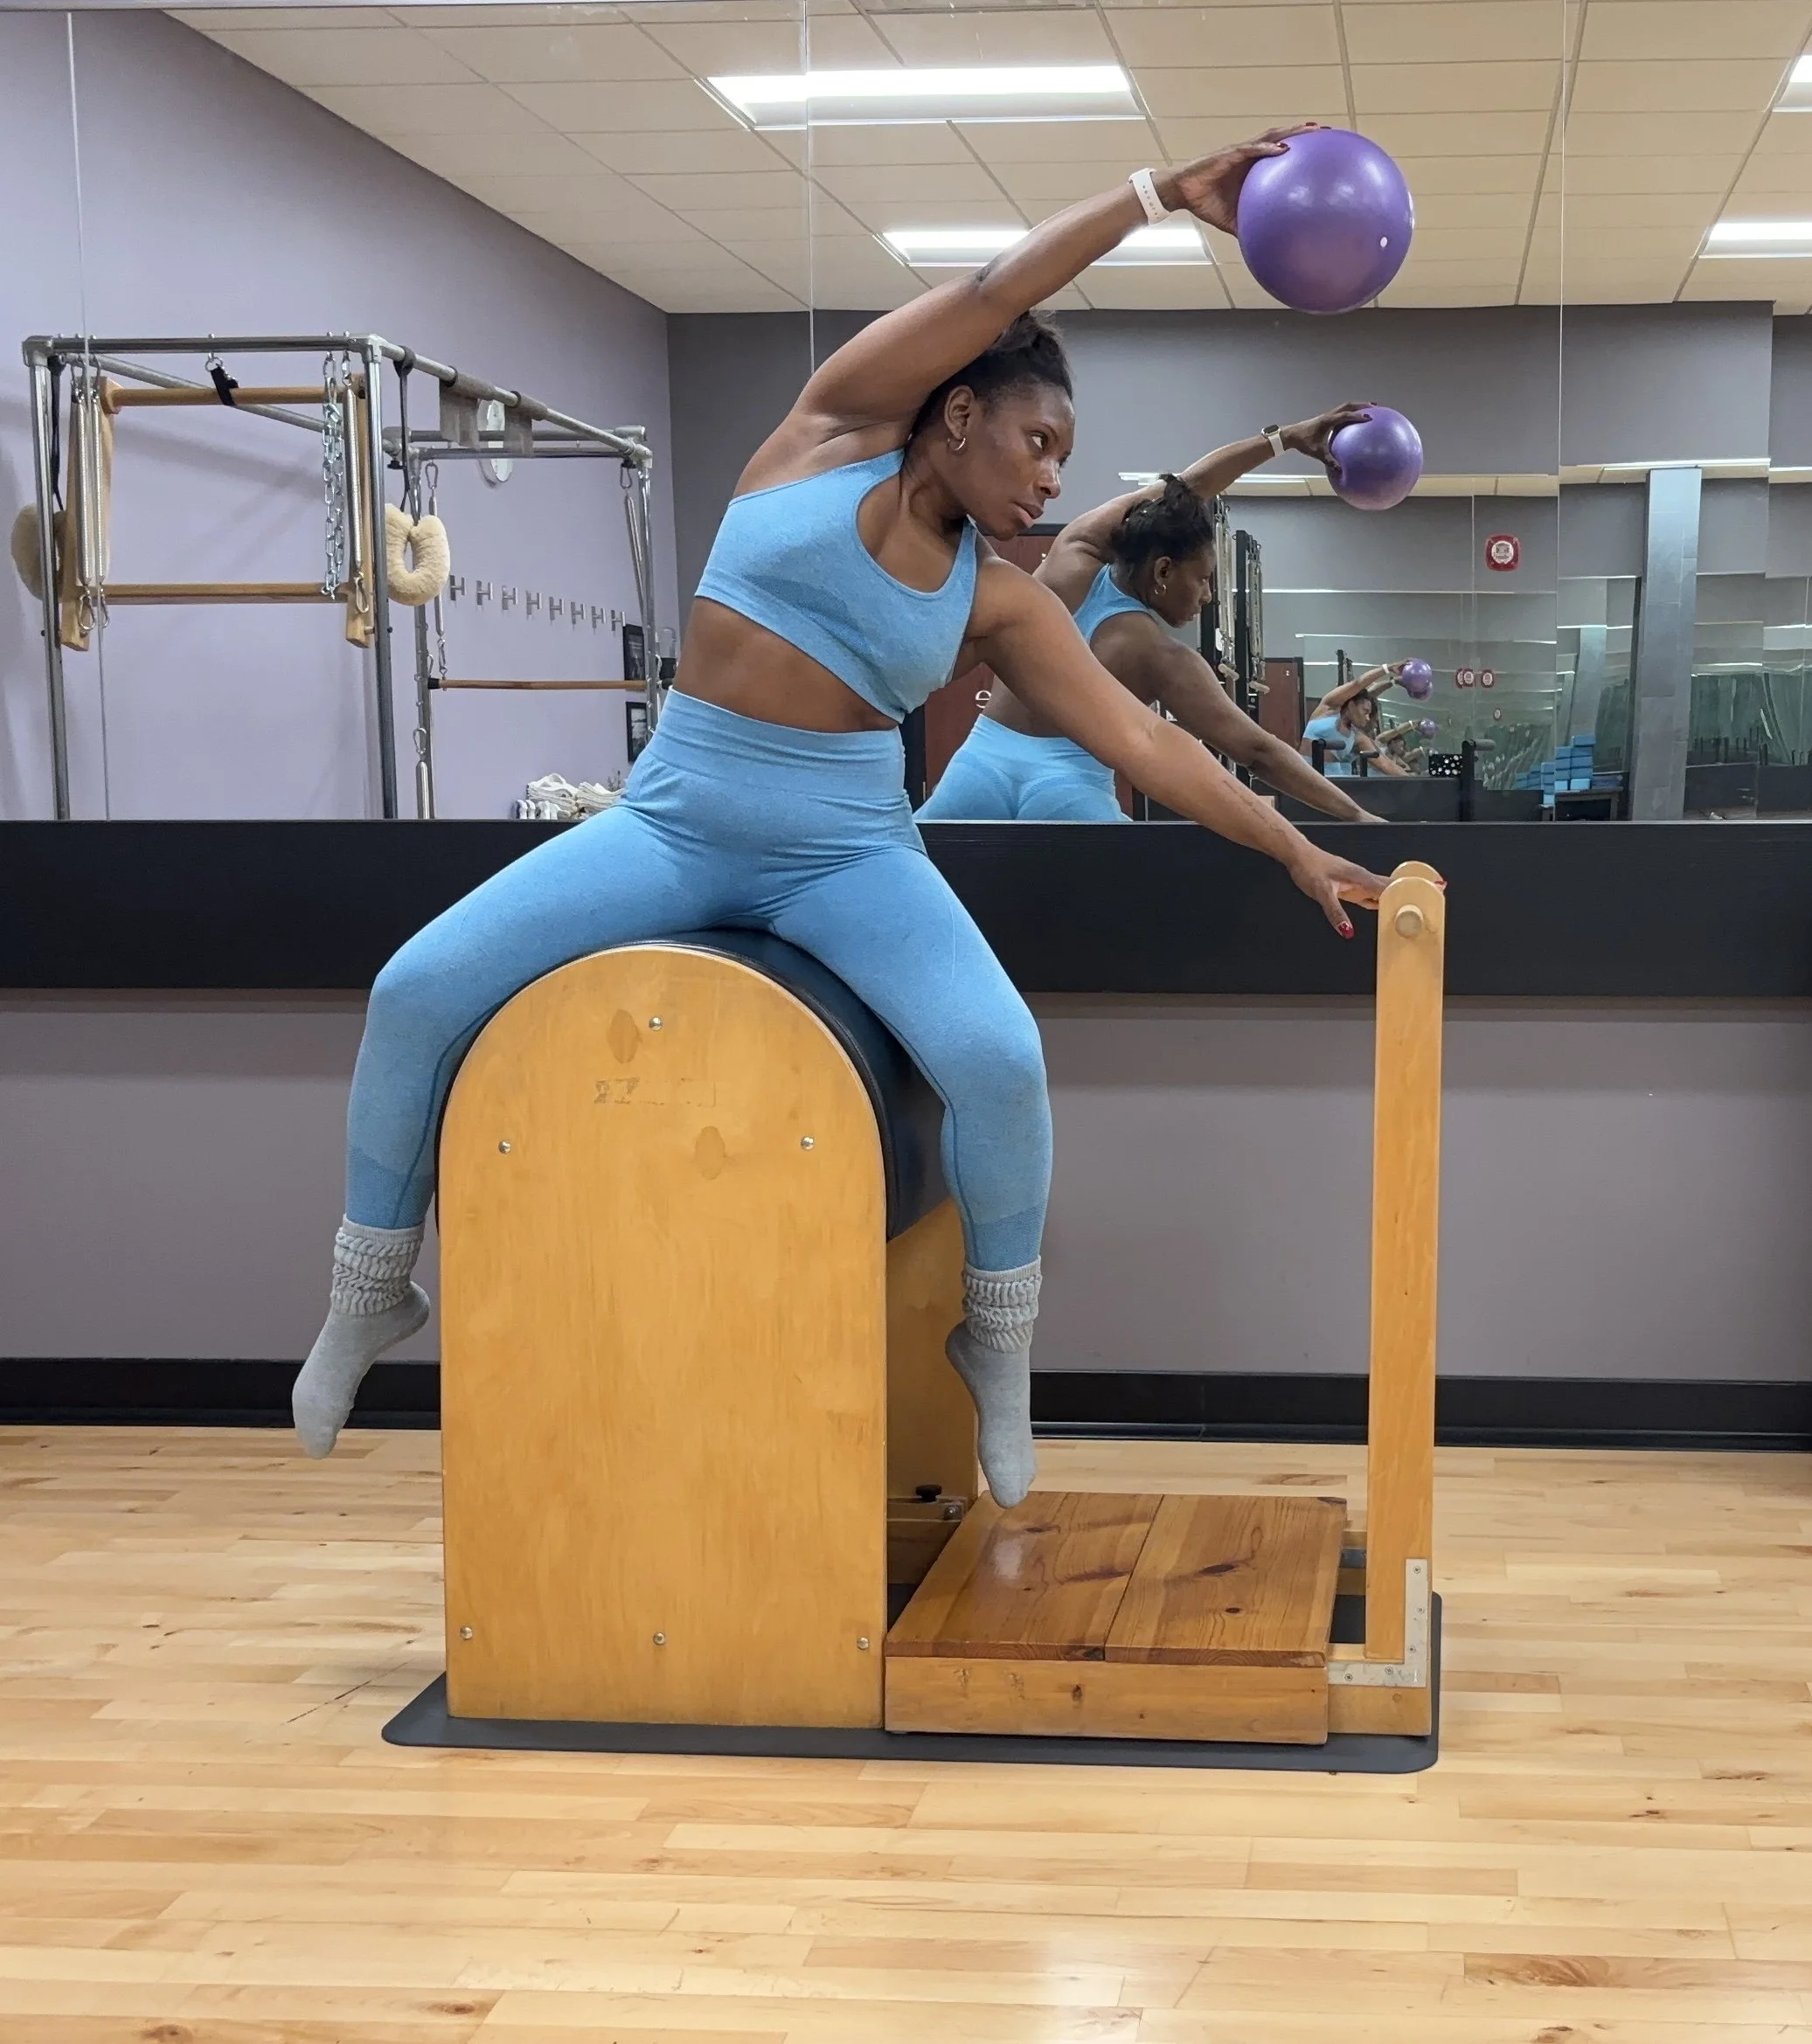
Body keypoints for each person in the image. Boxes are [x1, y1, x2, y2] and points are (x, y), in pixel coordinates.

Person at [291, 126, 1392, 1507]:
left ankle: (995, 1349)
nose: (1052, 479)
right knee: (416, 985)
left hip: (848, 846)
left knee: (1000, 1057)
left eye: (1067, 459)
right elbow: (995, 289)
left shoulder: (1001, 601)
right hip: (677, 814)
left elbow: (1151, 749)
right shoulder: (825, 432)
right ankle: (373, 1285)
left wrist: (1290, 842)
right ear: (957, 415)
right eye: (1038, 441)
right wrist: (1159, 195)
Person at [918, 419, 1385, 823]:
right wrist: (1357, 815)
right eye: (1203, 580)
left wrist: (1283, 440)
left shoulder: (1071, 555)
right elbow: (1258, 752)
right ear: (1163, 570)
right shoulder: (1163, 659)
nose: (1205, 597)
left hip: (977, 768)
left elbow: (1183, 487)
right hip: (1069, 793)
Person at [1302, 665, 1413, 777]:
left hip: (1336, 785)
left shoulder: (1358, 738)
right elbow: (1358, 685)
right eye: (1365, 712)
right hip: (1306, 778)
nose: (1368, 718)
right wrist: (1387, 669)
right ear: (1351, 705)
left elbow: (1386, 765)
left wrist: (1419, 782)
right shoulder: (1327, 709)